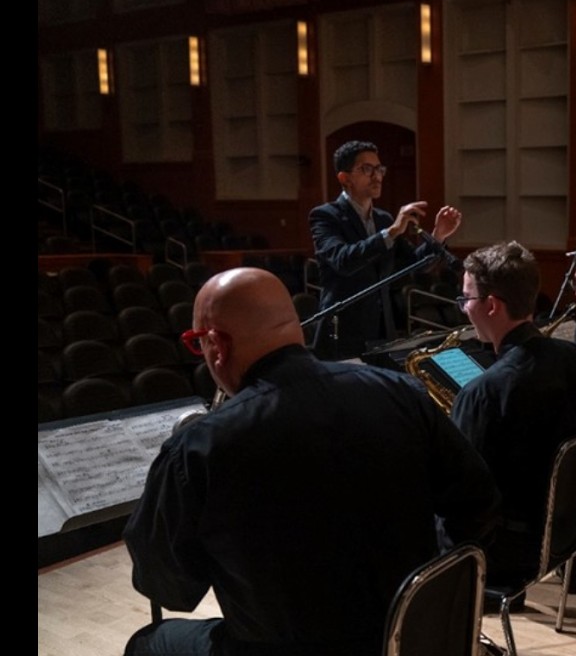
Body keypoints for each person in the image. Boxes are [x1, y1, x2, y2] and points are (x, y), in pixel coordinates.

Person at [123, 268, 500, 656]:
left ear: (216, 344)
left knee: (148, 643)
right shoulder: (400, 392)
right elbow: (479, 502)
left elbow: (169, 588)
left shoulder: (201, 446)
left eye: (197, 342)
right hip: (409, 637)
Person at [450, 242, 576, 585]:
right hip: (569, 533)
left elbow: (464, 503)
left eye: (466, 298)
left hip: (508, 554)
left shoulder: (484, 393)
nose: (464, 308)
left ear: (492, 305)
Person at [309, 140, 463, 360]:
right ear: (345, 178)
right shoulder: (325, 216)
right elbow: (342, 261)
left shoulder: (383, 219)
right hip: (342, 331)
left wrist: (438, 235)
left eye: (379, 168)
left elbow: (414, 265)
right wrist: (390, 233)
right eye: (366, 169)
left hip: (382, 329)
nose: (377, 176)